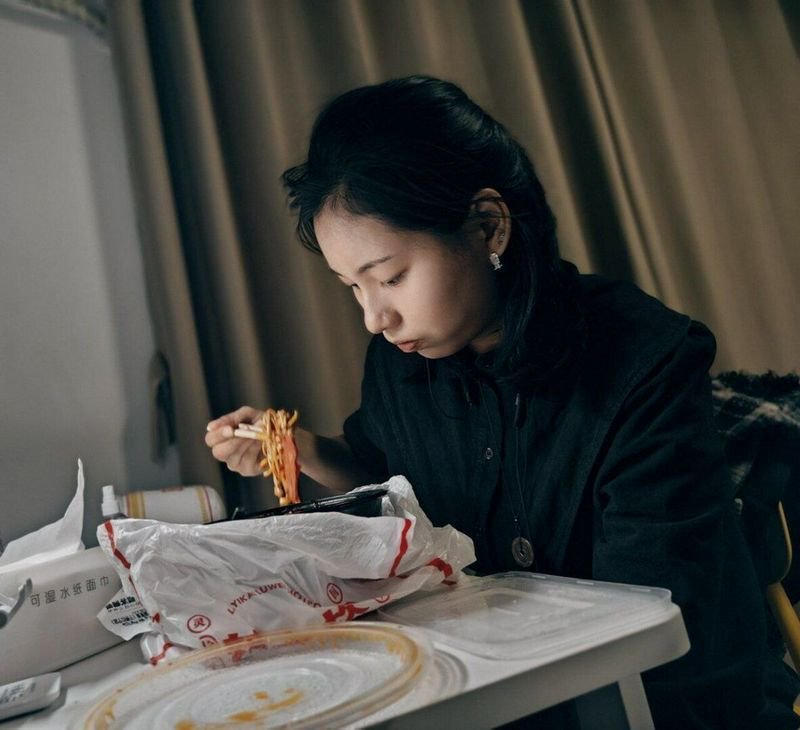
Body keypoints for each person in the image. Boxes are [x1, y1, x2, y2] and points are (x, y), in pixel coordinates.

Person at [205, 76, 799, 728]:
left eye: (391, 277)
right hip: (505, 685)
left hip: (659, 699)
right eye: (353, 286)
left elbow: (648, 619)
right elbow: (386, 474)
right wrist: (303, 450)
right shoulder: (401, 365)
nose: (375, 316)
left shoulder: (642, 360)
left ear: (488, 227)